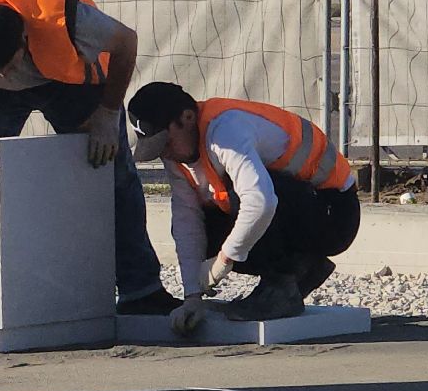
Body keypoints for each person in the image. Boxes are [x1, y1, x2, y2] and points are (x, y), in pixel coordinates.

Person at [0, 0, 178, 326]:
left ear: (23, 39)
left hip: (67, 74)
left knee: (112, 169)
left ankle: (140, 289)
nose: (7, 76)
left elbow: (126, 42)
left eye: (8, 66)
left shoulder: (68, 18)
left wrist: (107, 112)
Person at [126, 82, 360, 331]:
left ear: (187, 117)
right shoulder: (176, 154)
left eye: (166, 142)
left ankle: (282, 284)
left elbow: (261, 202)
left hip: (333, 214)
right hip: (301, 211)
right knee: (211, 224)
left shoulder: (226, 130)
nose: (166, 153)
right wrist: (192, 296)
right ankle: (301, 270)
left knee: (248, 197)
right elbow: (186, 220)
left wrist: (222, 263)